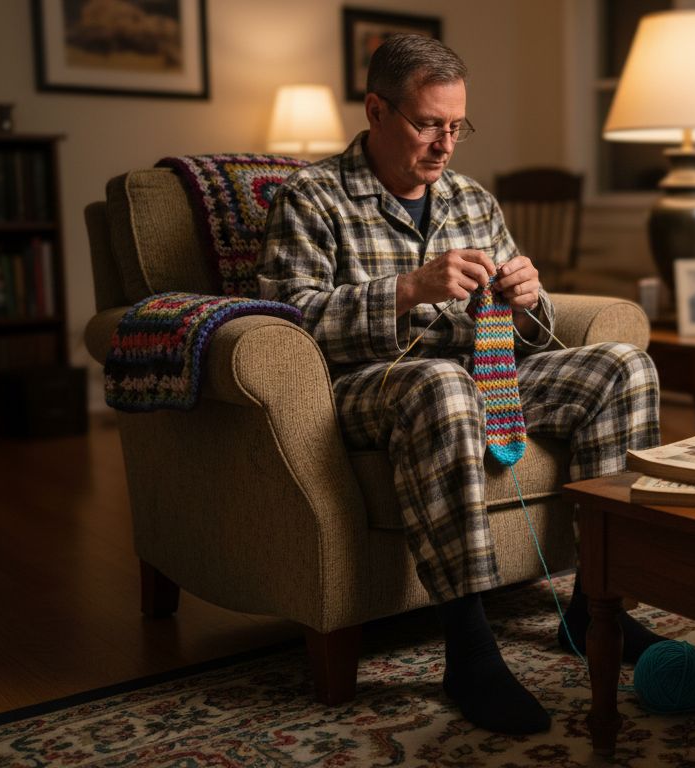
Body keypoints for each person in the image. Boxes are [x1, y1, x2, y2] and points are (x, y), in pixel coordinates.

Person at [259, 34, 665, 735]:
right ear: (377, 110)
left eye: (457, 126)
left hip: (482, 373)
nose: (445, 145)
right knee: (441, 384)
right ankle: (469, 647)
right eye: (427, 124)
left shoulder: (472, 200)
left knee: (623, 366)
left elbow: (527, 335)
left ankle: (596, 605)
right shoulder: (311, 197)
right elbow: (288, 323)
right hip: (368, 389)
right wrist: (405, 291)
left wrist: (530, 300)